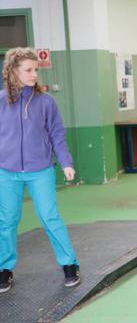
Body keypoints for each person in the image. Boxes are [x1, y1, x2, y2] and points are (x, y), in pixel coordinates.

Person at [0, 47, 80, 293]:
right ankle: (4, 269)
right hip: (6, 171)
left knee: (49, 217)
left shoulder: (46, 101)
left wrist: (66, 162)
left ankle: (69, 264)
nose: (34, 74)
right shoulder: (1, 101)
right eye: (28, 70)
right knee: (6, 220)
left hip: (40, 169)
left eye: (36, 69)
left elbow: (57, 135)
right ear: (13, 71)